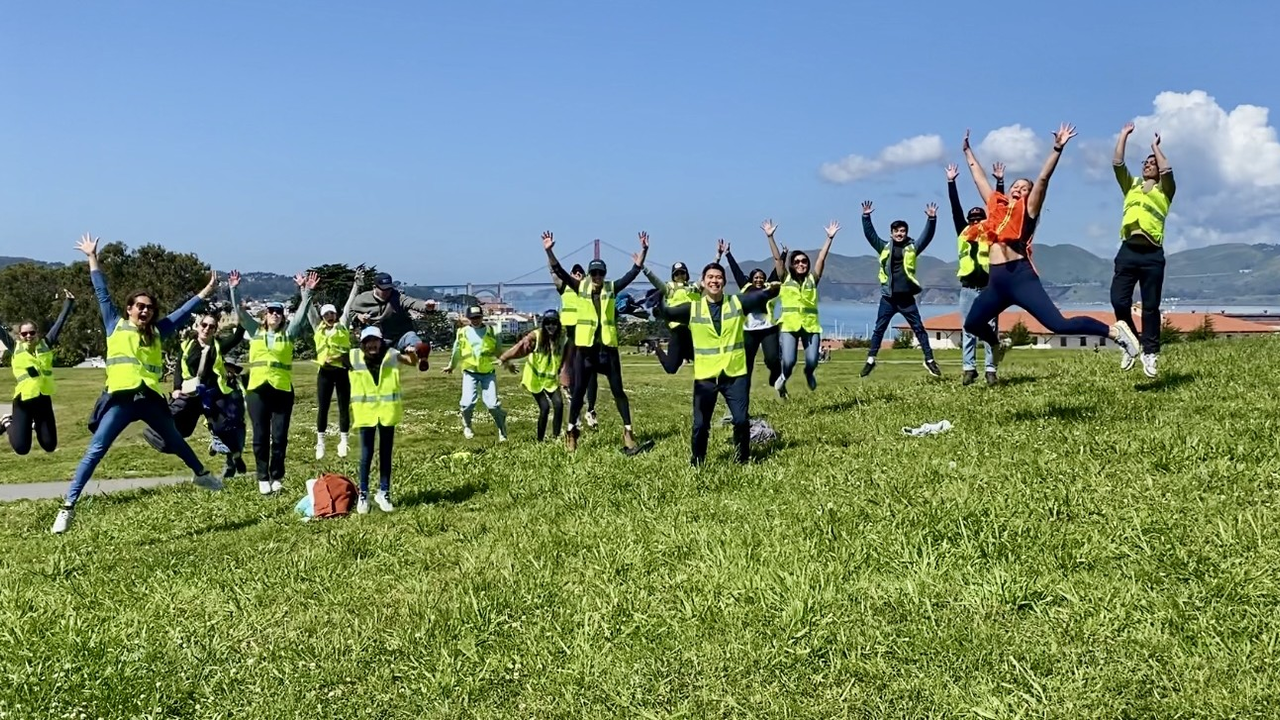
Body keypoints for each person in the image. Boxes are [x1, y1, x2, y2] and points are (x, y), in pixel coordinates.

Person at [52, 234, 221, 535]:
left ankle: (201, 474)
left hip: (150, 400)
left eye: (149, 308)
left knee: (176, 440)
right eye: (140, 306)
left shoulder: (157, 332)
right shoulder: (114, 324)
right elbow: (101, 292)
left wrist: (204, 292)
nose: (145, 311)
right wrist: (92, 257)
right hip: (120, 401)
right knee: (96, 450)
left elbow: (182, 314)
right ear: (129, 308)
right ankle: (68, 507)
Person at [960, 125, 1141, 364]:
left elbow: (1043, 178)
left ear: (1029, 195)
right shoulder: (995, 207)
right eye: (1015, 186)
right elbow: (979, 178)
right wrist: (967, 152)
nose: (1018, 189)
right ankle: (997, 344)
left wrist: (1057, 148)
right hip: (996, 283)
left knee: (1059, 325)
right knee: (972, 323)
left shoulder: (1029, 210)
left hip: (1020, 279)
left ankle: (1115, 332)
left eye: (1024, 188)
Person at [658, 263, 781, 465]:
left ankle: (742, 459)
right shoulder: (693, 308)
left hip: (735, 373)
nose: (715, 280)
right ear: (704, 282)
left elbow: (759, 297)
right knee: (700, 425)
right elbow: (669, 313)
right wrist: (660, 302)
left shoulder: (737, 303)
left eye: (719, 277)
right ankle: (697, 462)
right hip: (706, 376)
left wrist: (774, 289)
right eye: (710, 277)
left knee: (741, 420)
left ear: (724, 282)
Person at [543, 230, 648, 453]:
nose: (598, 276)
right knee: (579, 392)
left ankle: (628, 432)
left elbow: (631, 275)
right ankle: (571, 432)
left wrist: (643, 256)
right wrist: (549, 251)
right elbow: (559, 270)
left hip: (607, 350)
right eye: (594, 273)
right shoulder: (579, 287)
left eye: (601, 273)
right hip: (585, 350)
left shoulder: (611, 288)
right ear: (589, 275)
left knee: (618, 391)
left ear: (605, 274)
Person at [229, 269, 316, 495]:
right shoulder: (254, 331)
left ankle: (277, 475)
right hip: (257, 390)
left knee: (279, 437)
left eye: (278, 312)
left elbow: (302, 314)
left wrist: (306, 291)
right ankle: (262, 476)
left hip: (281, 390)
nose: (275, 315)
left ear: (282, 316)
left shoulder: (289, 334)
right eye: (271, 312)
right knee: (260, 436)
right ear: (265, 315)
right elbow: (239, 311)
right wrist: (234, 289)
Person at [141, 311, 249, 477]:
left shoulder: (218, 345)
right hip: (191, 394)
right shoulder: (187, 345)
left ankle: (233, 460)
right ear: (198, 327)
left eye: (211, 327)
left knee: (224, 428)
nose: (207, 329)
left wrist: (243, 322)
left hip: (213, 394)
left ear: (215, 329)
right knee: (180, 426)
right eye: (204, 325)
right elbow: (178, 367)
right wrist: (176, 388)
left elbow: (235, 339)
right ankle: (160, 440)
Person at [1112, 122, 1175, 378]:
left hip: (1152, 255)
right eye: (1145, 162)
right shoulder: (1132, 185)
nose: (1148, 165)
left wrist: (1154, 148)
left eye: (1152, 163)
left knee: (1151, 306)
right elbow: (1117, 163)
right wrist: (1123, 135)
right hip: (1127, 251)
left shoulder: (1165, 190)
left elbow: (1168, 168)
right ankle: (1131, 343)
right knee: (1119, 300)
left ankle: (1150, 353)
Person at [859, 200, 942, 378]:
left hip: (906, 299)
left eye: (902, 231)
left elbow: (926, 237)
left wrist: (932, 219)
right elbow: (870, 235)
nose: (900, 234)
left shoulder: (912, 248)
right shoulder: (883, 247)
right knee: (879, 329)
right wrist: (866, 217)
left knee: (919, 328)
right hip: (888, 298)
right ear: (891, 233)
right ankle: (871, 360)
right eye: (896, 231)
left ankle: (929, 360)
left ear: (906, 233)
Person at [763, 219, 839, 396]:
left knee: (812, 360)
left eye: (804, 261)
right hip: (789, 326)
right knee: (788, 361)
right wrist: (770, 237)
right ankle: (783, 377)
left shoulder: (813, 279)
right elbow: (777, 259)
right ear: (792, 264)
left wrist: (829, 238)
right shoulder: (785, 279)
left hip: (810, 326)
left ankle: (809, 373)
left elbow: (821, 257)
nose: (801, 264)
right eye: (796, 262)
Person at [348, 326, 418, 514]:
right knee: (366, 455)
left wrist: (412, 353)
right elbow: (328, 363)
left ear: (381, 341)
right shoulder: (353, 356)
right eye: (368, 341)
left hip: (387, 412)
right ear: (362, 343)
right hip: (366, 413)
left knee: (385, 453)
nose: (372, 344)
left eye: (375, 340)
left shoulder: (392, 355)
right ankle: (363, 494)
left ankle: (384, 492)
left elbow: (412, 362)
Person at [947, 161, 1004, 386]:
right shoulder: (963, 232)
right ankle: (969, 369)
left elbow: (998, 209)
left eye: (980, 219)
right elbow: (955, 209)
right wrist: (951, 182)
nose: (976, 223)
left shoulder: (991, 233)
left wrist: (999, 182)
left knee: (991, 329)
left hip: (990, 288)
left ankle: (991, 370)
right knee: (968, 328)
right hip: (968, 289)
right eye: (973, 220)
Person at [0, 290, 74, 454]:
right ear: (19, 335)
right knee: (21, 448)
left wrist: (69, 302)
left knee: (49, 446)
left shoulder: (45, 344)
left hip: (43, 400)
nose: (28, 336)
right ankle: (6, 422)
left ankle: (35, 425)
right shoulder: (15, 348)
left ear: (37, 333)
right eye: (24, 333)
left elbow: (59, 324)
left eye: (31, 333)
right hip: (23, 402)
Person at [306, 268, 362, 459]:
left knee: (344, 406)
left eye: (332, 313)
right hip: (325, 372)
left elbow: (349, 305)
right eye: (326, 314)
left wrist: (356, 285)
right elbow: (308, 309)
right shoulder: (317, 327)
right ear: (322, 317)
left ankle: (343, 441)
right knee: (323, 407)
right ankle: (320, 442)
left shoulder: (343, 325)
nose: (330, 317)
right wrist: (305, 290)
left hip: (342, 371)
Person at [499, 310, 569, 441]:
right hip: (534, 379)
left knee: (559, 405)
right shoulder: (536, 336)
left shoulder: (562, 338)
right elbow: (520, 348)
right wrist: (504, 357)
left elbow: (568, 356)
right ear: (544, 324)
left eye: (554, 323)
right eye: (548, 323)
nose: (551, 326)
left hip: (550, 380)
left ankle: (555, 437)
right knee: (545, 408)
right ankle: (540, 440)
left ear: (558, 324)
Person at [721, 240, 783, 387]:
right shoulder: (745, 287)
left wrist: (784, 254)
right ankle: (743, 389)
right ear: (751, 279)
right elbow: (736, 271)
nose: (759, 279)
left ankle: (775, 377)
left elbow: (778, 270)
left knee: (773, 359)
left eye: (761, 277)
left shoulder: (769, 287)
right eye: (756, 277)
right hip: (749, 330)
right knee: (747, 363)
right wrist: (728, 254)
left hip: (768, 329)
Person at [349, 271, 439, 371]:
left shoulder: (397, 297)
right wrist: (359, 317)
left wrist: (426, 307)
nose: (387, 291)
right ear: (375, 287)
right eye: (384, 289)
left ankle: (420, 355)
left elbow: (412, 302)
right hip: (380, 339)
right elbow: (350, 312)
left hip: (400, 336)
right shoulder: (362, 299)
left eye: (389, 288)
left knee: (411, 336)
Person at [444, 306, 508, 441]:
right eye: (473, 318)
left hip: (488, 372)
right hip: (470, 372)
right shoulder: (462, 332)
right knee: (467, 404)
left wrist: (505, 361)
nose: (476, 320)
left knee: (493, 405)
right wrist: (452, 366)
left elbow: (498, 350)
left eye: (478, 317)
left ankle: (502, 430)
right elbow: (456, 351)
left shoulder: (492, 331)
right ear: (468, 319)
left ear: (482, 317)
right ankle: (467, 425)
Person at [551, 262, 599, 428]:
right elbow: (554, 272)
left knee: (590, 372)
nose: (577, 274)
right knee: (568, 371)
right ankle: (575, 411)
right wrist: (549, 252)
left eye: (581, 272)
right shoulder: (564, 287)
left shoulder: (588, 290)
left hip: (584, 334)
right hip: (567, 333)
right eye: (575, 272)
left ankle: (590, 410)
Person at [643, 261, 697, 374]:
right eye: (677, 274)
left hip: (692, 331)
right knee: (671, 368)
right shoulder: (669, 288)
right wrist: (643, 267)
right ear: (673, 276)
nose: (680, 276)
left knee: (703, 362)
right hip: (677, 331)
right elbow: (656, 281)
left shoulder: (693, 288)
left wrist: (717, 257)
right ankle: (657, 348)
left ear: (687, 274)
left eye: (682, 273)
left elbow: (707, 278)